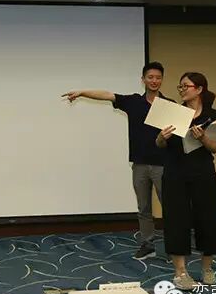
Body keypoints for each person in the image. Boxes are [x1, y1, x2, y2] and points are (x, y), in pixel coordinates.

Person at [62, 62, 172, 260]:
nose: (154, 81)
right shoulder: (134, 101)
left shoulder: (170, 105)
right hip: (139, 164)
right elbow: (107, 95)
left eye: (158, 77)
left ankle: (176, 246)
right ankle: (147, 245)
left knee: (171, 206)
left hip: (163, 164)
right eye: (150, 77)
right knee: (143, 208)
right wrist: (82, 92)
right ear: (143, 80)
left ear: (162, 80)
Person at [155, 72, 216, 290]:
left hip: (203, 174)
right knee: (176, 221)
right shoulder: (174, 113)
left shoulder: (214, 115)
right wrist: (161, 138)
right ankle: (180, 273)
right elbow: (159, 144)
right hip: (175, 174)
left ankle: (207, 269)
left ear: (199, 89)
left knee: (208, 219)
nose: (182, 90)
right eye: (180, 87)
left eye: (186, 86)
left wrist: (202, 137)